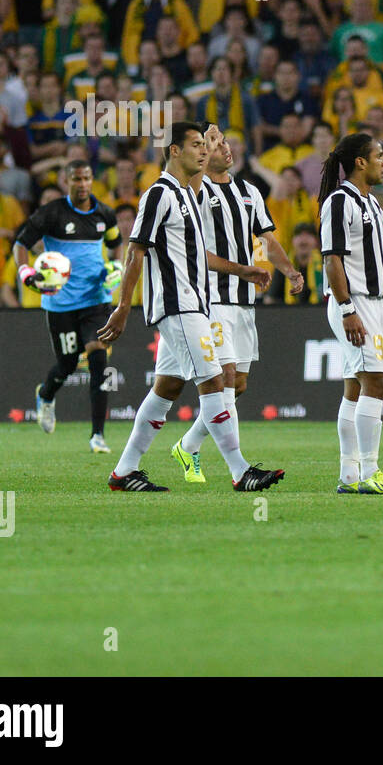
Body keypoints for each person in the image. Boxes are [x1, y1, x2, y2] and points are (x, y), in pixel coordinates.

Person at [97, 122, 283, 493]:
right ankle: (240, 470)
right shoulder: (159, 194)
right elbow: (136, 251)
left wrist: (242, 269)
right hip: (177, 305)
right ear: (175, 151)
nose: (204, 150)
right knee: (215, 381)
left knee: (166, 387)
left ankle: (124, 471)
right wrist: (122, 307)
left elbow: (198, 255)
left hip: (193, 304)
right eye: (197, 144)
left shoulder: (185, 194)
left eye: (207, 144)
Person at [166, 128, 304, 483]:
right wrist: (243, 270)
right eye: (215, 143)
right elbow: (195, 246)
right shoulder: (196, 191)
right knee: (224, 378)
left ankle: (188, 444)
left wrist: (289, 271)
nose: (225, 148)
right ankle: (240, 471)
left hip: (243, 301)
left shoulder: (249, 191)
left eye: (227, 142)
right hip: (209, 296)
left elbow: (268, 239)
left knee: (237, 384)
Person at [320, 132, 383, 494]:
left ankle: (349, 474)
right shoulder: (338, 202)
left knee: (355, 388)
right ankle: (369, 473)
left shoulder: (373, 204)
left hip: (372, 301)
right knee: (377, 382)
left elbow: (376, 261)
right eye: (379, 156)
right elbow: (331, 260)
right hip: (353, 302)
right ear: (360, 162)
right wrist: (348, 309)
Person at [13, 160, 123, 454]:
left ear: (92, 180)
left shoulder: (104, 213)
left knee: (99, 359)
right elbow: (20, 244)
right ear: (66, 181)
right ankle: (46, 395)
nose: (83, 184)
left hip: (96, 299)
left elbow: (116, 243)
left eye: (87, 178)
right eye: (77, 179)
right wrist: (26, 273)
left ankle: (97, 435)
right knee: (68, 364)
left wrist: (116, 266)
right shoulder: (51, 213)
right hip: (61, 303)